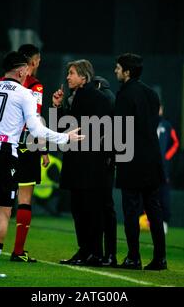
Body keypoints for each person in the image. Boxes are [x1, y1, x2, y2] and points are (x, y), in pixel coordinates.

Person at [0, 51, 84, 278]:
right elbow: (36, 130)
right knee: (3, 212)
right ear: (21, 70)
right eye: (28, 70)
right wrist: (64, 138)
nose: (29, 73)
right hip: (4, 154)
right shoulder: (24, 94)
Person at [52, 60, 114, 267]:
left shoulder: (98, 98)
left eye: (71, 73)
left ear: (83, 77)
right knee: (79, 209)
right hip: (77, 162)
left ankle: (94, 252)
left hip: (89, 164)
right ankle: (86, 250)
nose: (68, 77)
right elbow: (59, 129)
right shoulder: (75, 98)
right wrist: (57, 107)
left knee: (90, 210)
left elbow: (104, 130)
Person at [113, 53, 167, 271]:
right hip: (152, 160)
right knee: (154, 210)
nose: (116, 70)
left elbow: (120, 130)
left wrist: (113, 155)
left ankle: (133, 257)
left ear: (127, 72)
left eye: (118, 68)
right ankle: (160, 259)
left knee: (131, 210)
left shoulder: (125, 95)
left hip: (132, 160)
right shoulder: (152, 94)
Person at [9, 44, 50, 263]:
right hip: (26, 146)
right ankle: (18, 251)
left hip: (2, 144)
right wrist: (43, 149)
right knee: (25, 200)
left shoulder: (2, 82)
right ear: (33, 62)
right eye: (39, 60)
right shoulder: (36, 87)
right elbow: (35, 120)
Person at [93, 76, 118, 267]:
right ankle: (104, 253)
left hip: (102, 159)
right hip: (105, 159)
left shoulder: (105, 98)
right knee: (104, 208)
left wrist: (110, 155)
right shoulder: (109, 97)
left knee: (104, 208)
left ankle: (105, 253)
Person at [156, 98, 179, 234]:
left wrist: (166, 156)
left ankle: (164, 221)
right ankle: (145, 220)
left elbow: (175, 143)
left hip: (163, 169)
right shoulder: (148, 124)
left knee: (164, 195)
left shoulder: (167, 125)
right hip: (150, 167)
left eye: (159, 108)